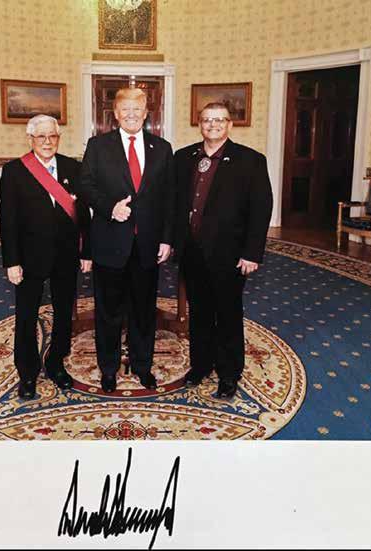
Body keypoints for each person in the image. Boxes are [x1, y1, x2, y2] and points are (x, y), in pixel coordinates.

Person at [78, 88, 175, 393]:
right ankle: (108, 369)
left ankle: (142, 365)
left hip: (147, 244)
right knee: (108, 312)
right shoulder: (97, 146)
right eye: (125, 109)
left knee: (143, 310)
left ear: (146, 114)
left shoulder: (162, 148)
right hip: (110, 242)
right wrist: (110, 208)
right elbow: (85, 186)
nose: (131, 114)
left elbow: (169, 198)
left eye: (137, 109)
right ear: (116, 114)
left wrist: (167, 239)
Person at [174, 102, 273, 399]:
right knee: (199, 312)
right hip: (192, 251)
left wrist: (252, 253)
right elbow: (173, 202)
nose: (213, 125)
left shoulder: (250, 160)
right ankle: (201, 365)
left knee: (228, 314)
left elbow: (261, 209)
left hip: (229, 254)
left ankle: (229, 374)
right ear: (200, 125)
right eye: (207, 120)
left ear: (230, 125)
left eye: (219, 120)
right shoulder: (183, 157)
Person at [0, 114, 92, 400]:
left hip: (66, 255)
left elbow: (83, 214)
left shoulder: (72, 167)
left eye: (52, 136)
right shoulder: (14, 171)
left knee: (64, 312)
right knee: (26, 315)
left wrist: (86, 251)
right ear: (30, 139)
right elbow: (8, 220)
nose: (48, 142)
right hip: (29, 258)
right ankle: (27, 373)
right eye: (41, 136)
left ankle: (56, 363)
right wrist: (11, 261)